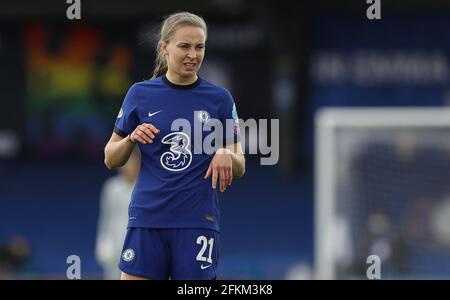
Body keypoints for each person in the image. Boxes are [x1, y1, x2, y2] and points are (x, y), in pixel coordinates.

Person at [104, 11, 245, 280]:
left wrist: (227, 152)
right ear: (164, 47)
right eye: (184, 46)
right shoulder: (140, 94)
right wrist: (131, 137)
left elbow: (239, 166)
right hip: (148, 220)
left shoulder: (220, 100)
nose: (193, 54)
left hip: (197, 222)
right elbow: (110, 158)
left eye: (199, 47)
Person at [96, 148, 140, 280]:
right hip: (115, 246)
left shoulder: (145, 187)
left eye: (131, 163)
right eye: (125, 163)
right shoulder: (111, 187)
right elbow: (106, 216)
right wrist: (102, 241)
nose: (127, 167)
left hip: (138, 245)